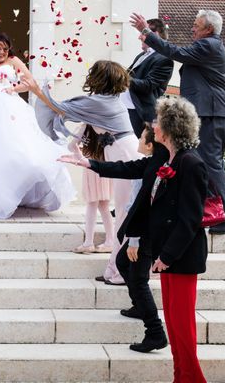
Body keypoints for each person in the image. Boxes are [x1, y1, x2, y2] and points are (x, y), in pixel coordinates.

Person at [62, 97, 208, 380]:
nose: (152, 126)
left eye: (157, 122)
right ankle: (181, 376)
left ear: (168, 129)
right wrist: (90, 164)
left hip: (181, 258)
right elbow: (129, 169)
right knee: (176, 327)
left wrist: (166, 257)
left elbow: (190, 220)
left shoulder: (192, 164)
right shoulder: (165, 157)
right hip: (167, 257)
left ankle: (192, 378)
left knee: (182, 326)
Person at [63, 122, 169, 353]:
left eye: (141, 137)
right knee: (122, 263)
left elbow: (145, 207)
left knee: (139, 280)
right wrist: (88, 163)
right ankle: (138, 306)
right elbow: (122, 168)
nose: (137, 140)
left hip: (144, 234)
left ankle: (155, 332)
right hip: (139, 230)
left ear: (151, 145)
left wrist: (134, 239)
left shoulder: (158, 167)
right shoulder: (151, 162)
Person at [34, 60, 141, 284]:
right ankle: (114, 270)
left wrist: (36, 90)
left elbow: (60, 108)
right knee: (122, 211)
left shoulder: (101, 103)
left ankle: (119, 272)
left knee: (123, 213)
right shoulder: (105, 101)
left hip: (125, 154)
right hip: (122, 152)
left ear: (100, 78)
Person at [130, 10, 225, 235]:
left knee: (212, 164)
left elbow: (174, 51)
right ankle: (211, 212)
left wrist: (146, 32)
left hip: (212, 113)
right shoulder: (207, 45)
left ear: (208, 29)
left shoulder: (209, 45)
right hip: (205, 113)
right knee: (200, 163)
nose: (192, 28)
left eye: (196, 25)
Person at [0, 33, 75, 219]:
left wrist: (14, 88)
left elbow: (30, 83)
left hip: (9, 112)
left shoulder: (13, 62)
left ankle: (14, 194)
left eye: (5, 49)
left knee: (19, 153)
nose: (2, 52)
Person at [120, 18, 174, 137]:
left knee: (134, 152)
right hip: (123, 110)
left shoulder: (164, 59)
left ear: (154, 35)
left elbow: (148, 85)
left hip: (138, 112)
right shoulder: (142, 55)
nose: (139, 37)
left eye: (142, 33)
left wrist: (120, 78)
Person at [70, 125, 113, 254]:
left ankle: (88, 242)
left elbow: (71, 146)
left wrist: (81, 150)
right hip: (106, 166)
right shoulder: (106, 123)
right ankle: (110, 240)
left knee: (91, 204)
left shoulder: (86, 126)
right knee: (104, 205)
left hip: (91, 166)